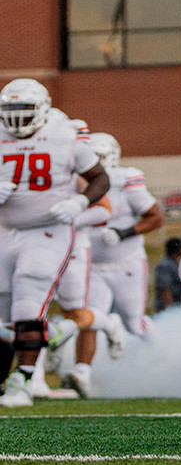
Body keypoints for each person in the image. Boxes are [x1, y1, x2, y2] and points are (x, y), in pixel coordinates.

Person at [0, 79, 110, 408]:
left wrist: (79, 203)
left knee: (28, 298)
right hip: (4, 230)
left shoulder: (65, 135)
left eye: (25, 109)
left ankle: (22, 381)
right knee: (5, 315)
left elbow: (99, 177)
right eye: (11, 110)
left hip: (47, 230)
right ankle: (47, 341)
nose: (18, 118)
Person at [62, 132, 164, 398]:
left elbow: (155, 218)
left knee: (134, 323)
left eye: (100, 158)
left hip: (126, 262)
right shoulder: (74, 181)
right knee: (90, 318)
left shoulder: (124, 181)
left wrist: (124, 233)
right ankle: (81, 372)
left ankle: (166, 356)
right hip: (94, 265)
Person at [154, 238, 181, 313]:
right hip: (167, 308)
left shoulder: (174, 263)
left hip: (177, 305)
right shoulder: (165, 265)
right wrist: (171, 309)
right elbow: (165, 289)